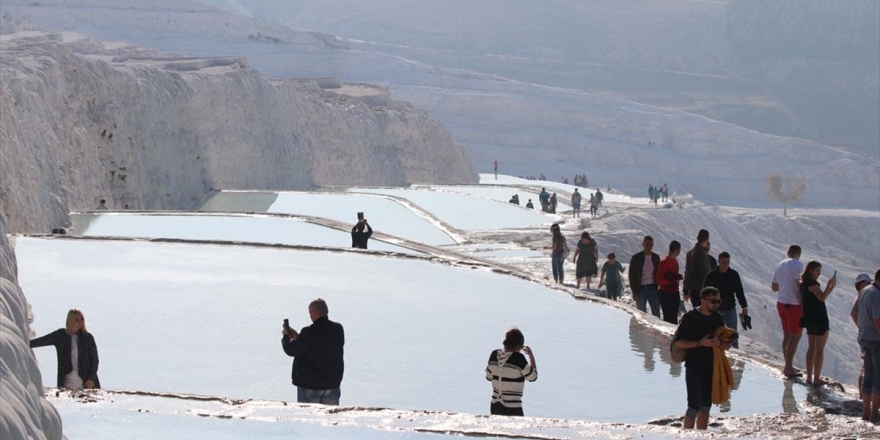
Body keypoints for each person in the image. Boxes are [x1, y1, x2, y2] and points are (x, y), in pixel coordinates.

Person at [673, 287, 732, 430]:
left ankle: (701, 435)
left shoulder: (717, 318)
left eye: (718, 301)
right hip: (694, 366)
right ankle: (687, 435)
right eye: (713, 301)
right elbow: (678, 343)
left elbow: (727, 345)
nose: (716, 305)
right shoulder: (690, 318)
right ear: (703, 300)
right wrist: (700, 343)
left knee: (706, 405)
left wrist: (719, 343)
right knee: (693, 405)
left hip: (712, 367)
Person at [282, 298, 345, 405]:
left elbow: (291, 350)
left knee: (310, 415)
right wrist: (298, 338)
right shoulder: (337, 329)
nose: (310, 316)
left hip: (311, 385)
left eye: (310, 312)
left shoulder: (309, 332)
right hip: (332, 384)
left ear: (315, 312)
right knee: (330, 415)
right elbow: (320, 345)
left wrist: (286, 337)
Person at [30, 309, 100, 389]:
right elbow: (41, 341)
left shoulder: (87, 338)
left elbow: (95, 361)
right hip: (67, 382)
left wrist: (91, 379)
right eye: (77, 320)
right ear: (70, 321)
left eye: (82, 319)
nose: (80, 322)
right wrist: (24, 342)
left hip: (86, 383)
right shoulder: (61, 335)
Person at [799, 261, 836, 385]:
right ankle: (816, 378)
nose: (819, 274)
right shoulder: (812, 283)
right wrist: (829, 285)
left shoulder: (804, 283)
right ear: (811, 270)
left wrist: (831, 288)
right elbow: (822, 297)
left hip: (809, 319)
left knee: (811, 348)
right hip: (819, 319)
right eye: (818, 271)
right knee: (819, 350)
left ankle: (809, 377)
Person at [485, 327, 538, 416]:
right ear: (518, 345)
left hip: (495, 405)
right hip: (513, 407)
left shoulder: (494, 355)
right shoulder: (518, 359)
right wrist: (531, 356)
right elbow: (533, 377)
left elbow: (488, 377)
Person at [772, 245, 805, 378]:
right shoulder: (798, 265)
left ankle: (788, 364)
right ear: (799, 254)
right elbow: (800, 285)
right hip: (794, 305)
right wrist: (803, 304)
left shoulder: (780, 265)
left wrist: (784, 286)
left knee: (786, 335)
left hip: (781, 303)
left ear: (788, 252)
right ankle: (788, 367)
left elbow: (774, 287)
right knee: (795, 336)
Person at [703, 252, 748, 349]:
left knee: (733, 334)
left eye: (728, 262)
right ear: (718, 261)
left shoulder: (734, 275)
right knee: (714, 333)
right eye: (723, 262)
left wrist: (744, 306)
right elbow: (705, 293)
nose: (726, 265)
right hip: (715, 309)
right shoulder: (711, 276)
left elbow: (739, 291)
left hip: (730, 308)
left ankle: (735, 353)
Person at [854, 269, 880, 421]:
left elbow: (854, 312)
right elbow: (878, 320)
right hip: (876, 339)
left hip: (864, 337)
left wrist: (862, 327)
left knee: (868, 375)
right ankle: (875, 412)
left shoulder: (864, 291)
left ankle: (865, 412)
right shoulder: (877, 294)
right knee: (878, 375)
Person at [628, 236, 661, 318]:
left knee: (656, 314)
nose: (649, 247)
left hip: (653, 288)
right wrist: (634, 291)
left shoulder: (656, 258)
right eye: (647, 245)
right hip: (640, 289)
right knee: (641, 314)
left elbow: (659, 273)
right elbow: (631, 275)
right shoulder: (636, 258)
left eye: (651, 245)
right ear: (643, 244)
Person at [853, 273, 873, 402]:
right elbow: (853, 313)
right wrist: (862, 326)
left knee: (866, 365)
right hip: (869, 335)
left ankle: (863, 395)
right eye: (867, 282)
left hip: (864, 334)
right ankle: (864, 395)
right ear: (860, 284)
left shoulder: (863, 295)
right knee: (867, 366)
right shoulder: (863, 295)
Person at [657, 240, 683, 325]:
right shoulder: (664, 262)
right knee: (667, 318)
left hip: (674, 292)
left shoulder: (675, 261)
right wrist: (670, 281)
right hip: (666, 293)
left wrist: (676, 277)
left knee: (674, 318)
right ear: (677, 250)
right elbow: (659, 279)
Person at [683, 230, 711, 309]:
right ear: (707, 240)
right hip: (701, 289)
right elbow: (705, 274)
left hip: (692, 289)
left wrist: (685, 290)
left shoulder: (690, 252)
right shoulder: (702, 254)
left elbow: (687, 272)